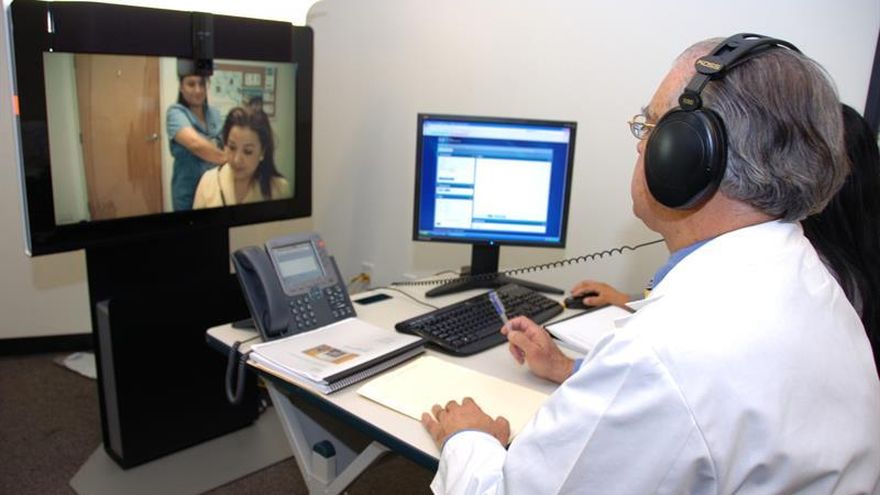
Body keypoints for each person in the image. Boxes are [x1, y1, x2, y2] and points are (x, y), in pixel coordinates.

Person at [421, 34, 880, 494]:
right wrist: (567, 369)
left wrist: (468, 438)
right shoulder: (815, 283)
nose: (641, 146)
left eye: (651, 126)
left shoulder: (663, 353)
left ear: (686, 156)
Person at [573, 104, 880, 375]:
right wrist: (628, 302)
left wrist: (570, 368)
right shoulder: (818, 273)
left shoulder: (791, 281)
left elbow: (663, 365)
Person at [192, 107, 291, 208]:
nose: (237, 160)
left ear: (262, 151)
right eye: (232, 147)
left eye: (248, 151)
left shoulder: (279, 189)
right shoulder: (208, 181)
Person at [166, 70, 226, 211]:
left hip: (213, 191)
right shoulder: (175, 113)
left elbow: (226, 144)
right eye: (191, 84)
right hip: (188, 193)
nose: (198, 90)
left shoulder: (215, 114)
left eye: (202, 84)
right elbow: (196, 144)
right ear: (181, 87)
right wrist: (227, 159)